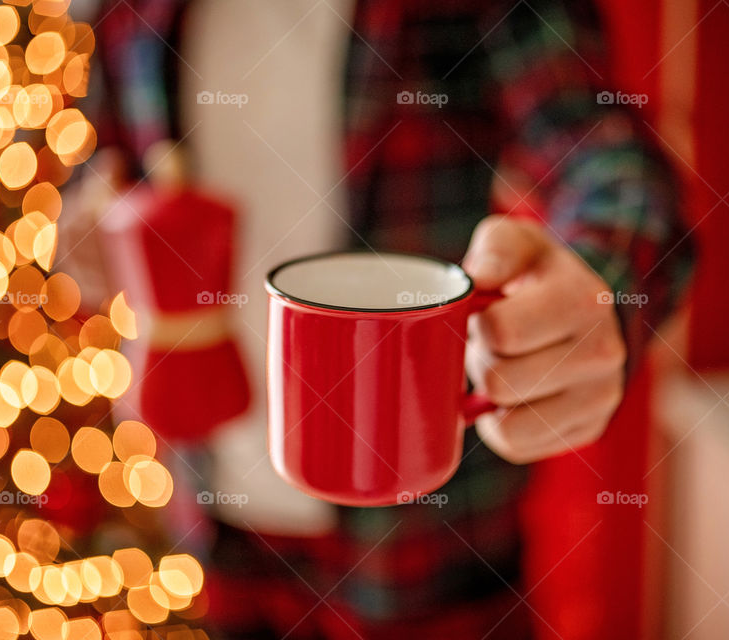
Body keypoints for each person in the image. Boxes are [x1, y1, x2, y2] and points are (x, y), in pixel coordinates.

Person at [63, 0, 693, 637]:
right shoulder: (126, 12)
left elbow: (600, 149)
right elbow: (102, 167)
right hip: (211, 508)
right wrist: (88, 224)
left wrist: (600, 280)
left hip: (430, 539)